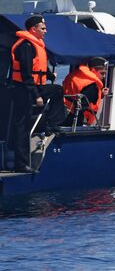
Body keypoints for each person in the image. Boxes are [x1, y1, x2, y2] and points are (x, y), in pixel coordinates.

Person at [10, 15, 65, 173]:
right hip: (24, 89)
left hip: (35, 86)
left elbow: (37, 66)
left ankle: (51, 124)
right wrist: (36, 95)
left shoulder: (37, 44)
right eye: (43, 28)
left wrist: (48, 74)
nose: (46, 31)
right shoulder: (26, 46)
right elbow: (27, 74)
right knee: (22, 125)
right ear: (33, 29)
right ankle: (21, 164)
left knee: (57, 90)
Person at [62, 57, 109, 126]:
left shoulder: (75, 75)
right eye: (102, 73)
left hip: (65, 111)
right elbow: (83, 103)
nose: (104, 76)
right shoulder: (92, 86)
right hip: (78, 118)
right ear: (93, 70)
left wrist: (100, 94)